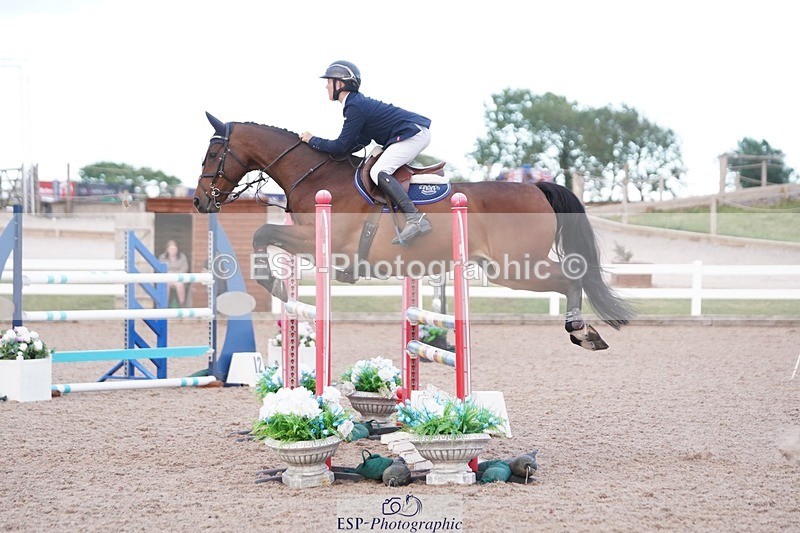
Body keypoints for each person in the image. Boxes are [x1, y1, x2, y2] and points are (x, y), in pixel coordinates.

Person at [300, 60, 433, 246]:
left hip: (413, 133)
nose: (326, 85)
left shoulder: (354, 106)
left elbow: (341, 145)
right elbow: (359, 141)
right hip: (410, 132)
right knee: (377, 168)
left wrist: (312, 140)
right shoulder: (355, 104)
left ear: (340, 84)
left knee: (378, 171)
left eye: (329, 81)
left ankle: (416, 219)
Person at [158, 240, 189, 307]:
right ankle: (164, 305)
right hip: (167, 278)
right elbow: (160, 269)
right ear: (167, 249)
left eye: (174, 249)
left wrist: (174, 274)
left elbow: (184, 268)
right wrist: (169, 274)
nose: (173, 250)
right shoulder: (162, 257)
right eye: (171, 249)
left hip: (179, 278)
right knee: (166, 285)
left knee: (180, 285)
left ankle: (182, 304)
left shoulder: (182, 257)